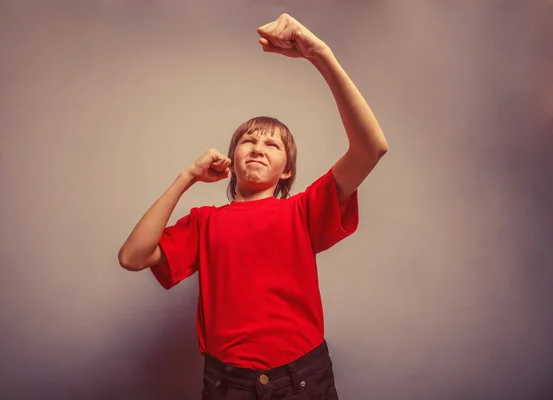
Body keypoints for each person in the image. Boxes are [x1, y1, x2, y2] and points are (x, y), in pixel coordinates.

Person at [118, 13, 387, 400]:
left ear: (286, 170)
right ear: (232, 158)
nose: (259, 147)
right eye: (248, 141)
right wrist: (187, 177)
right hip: (229, 385)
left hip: (303, 380)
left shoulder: (304, 210)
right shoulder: (204, 222)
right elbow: (132, 256)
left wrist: (320, 55)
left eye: (272, 144)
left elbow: (371, 147)